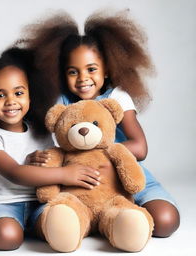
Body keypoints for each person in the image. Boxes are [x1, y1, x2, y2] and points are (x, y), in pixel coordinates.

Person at [20, 10, 180, 238]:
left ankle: (121, 215)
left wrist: (101, 155)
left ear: (106, 70)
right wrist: (38, 157)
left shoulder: (117, 97)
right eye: (73, 72)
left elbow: (140, 148)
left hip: (125, 172)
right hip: (79, 178)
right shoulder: (60, 101)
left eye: (91, 69)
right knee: (57, 219)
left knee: (166, 221)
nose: (83, 78)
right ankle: (89, 219)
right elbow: (42, 141)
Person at [0, 47, 101, 250]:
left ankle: (44, 226)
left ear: (31, 94)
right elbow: (15, 173)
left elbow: (53, 159)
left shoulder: (40, 132)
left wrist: (48, 161)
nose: (11, 101)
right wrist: (64, 174)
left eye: (18, 93)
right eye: (0, 95)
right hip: (1, 205)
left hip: (39, 203)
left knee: (61, 221)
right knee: (8, 237)